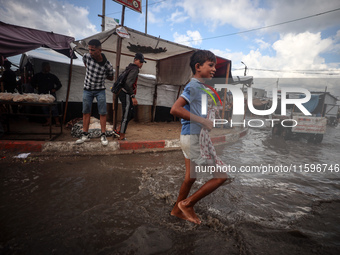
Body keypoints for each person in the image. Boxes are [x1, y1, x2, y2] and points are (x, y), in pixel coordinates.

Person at [170, 50, 228, 224]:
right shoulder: (194, 85)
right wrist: (203, 120)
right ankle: (187, 205)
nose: (214, 69)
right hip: (193, 137)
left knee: (191, 177)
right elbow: (175, 109)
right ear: (198, 67)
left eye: (215, 66)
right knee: (221, 176)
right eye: (210, 65)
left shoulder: (200, 87)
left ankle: (176, 210)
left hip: (189, 136)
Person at [76, 39, 114, 146]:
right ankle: (85, 134)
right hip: (87, 89)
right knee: (86, 112)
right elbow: (86, 64)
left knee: (102, 112)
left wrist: (100, 75)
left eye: (93, 50)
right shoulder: (86, 57)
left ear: (99, 50)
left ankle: (103, 135)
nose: (90, 52)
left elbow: (111, 77)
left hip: (100, 90)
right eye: (89, 50)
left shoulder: (107, 65)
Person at [116, 52, 146, 140]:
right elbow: (128, 84)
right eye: (140, 62)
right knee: (127, 114)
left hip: (123, 92)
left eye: (142, 63)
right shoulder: (135, 69)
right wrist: (132, 96)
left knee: (131, 114)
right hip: (125, 92)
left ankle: (119, 129)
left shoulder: (130, 67)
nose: (141, 64)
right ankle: (121, 136)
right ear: (135, 60)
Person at [31, 62, 62, 126]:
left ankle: (57, 122)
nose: (49, 68)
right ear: (43, 67)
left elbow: (59, 84)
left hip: (51, 94)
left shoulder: (52, 76)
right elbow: (32, 82)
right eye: (47, 67)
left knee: (54, 108)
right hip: (42, 94)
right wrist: (36, 87)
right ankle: (48, 121)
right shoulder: (38, 75)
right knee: (44, 108)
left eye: (49, 67)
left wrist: (55, 89)